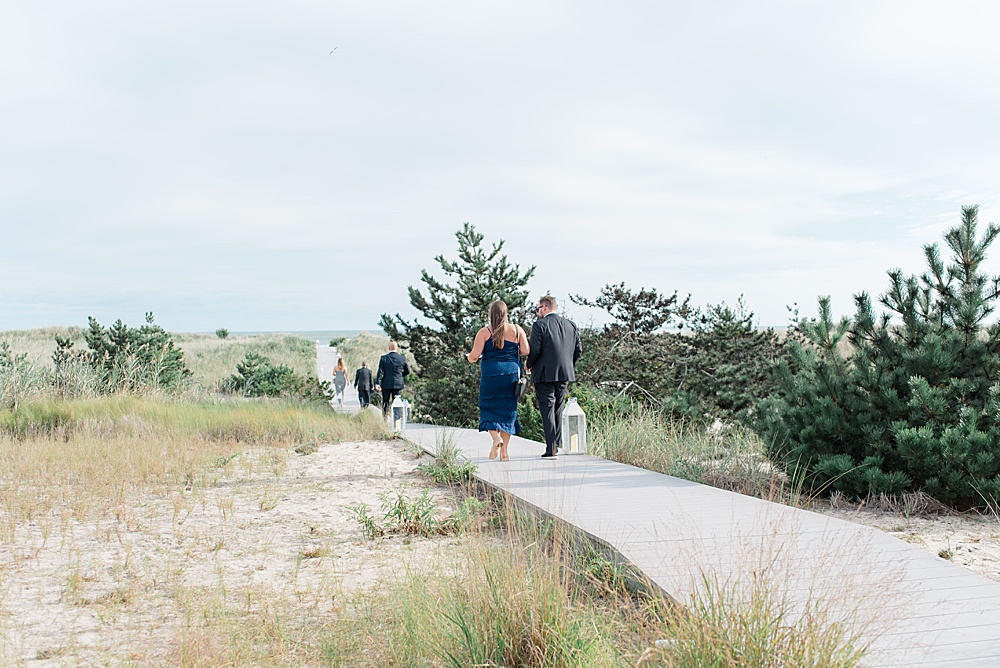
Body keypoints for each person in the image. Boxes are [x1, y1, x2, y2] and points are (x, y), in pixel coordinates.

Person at [467, 300, 531, 462]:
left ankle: (495, 438)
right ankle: (505, 452)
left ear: (491, 314)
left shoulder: (484, 332)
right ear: (506, 313)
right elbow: (525, 350)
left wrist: (467, 356)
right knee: (508, 411)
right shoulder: (517, 330)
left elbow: (474, 357)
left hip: (491, 374)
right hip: (511, 375)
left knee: (487, 407)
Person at [526, 295, 582, 459]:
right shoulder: (571, 325)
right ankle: (557, 443)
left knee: (547, 409)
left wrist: (528, 364)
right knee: (558, 406)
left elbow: (535, 350)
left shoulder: (540, 325)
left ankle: (551, 448)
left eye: (538, 309)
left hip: (544, 373)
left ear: (544, 307)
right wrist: (568, 365)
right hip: (564, 373)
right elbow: (578, 351)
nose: (537, 313)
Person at [375, 341, 410, 415]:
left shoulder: (384, 358)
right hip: (398, 384)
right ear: (396, 348)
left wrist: (378, 383)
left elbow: (380, 371)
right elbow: (408, 371)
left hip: (386, 384)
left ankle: (385, 420)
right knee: (397, 403)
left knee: (385, 402)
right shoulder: (402, 358)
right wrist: (400, 376)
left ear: (389, 348)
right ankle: (396, 421)